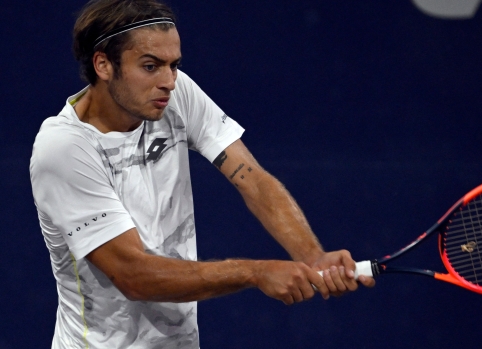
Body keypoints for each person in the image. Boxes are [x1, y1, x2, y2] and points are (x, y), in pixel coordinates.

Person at [29, 0, 375, 347]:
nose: (168, 81)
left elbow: (252, 178)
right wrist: (255, 272)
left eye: (174, 65)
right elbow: (133, 275)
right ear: (103, 64)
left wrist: (313, 256)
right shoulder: (63, 148)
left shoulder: (172, 96)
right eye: (150, 66)